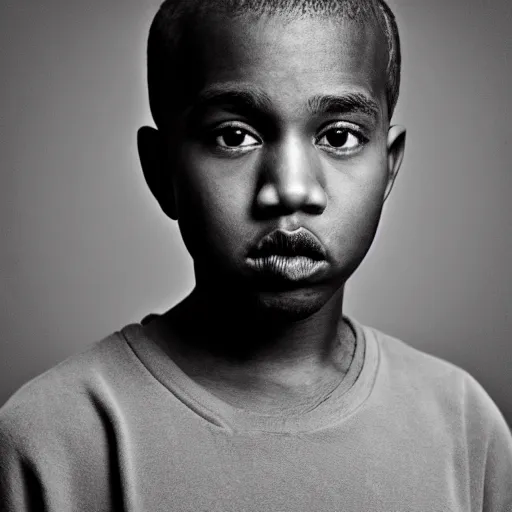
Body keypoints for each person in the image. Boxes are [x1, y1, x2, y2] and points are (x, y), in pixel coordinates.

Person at [1, 0, 511, 510]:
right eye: (234, 136)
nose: (291, 189)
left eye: (339, 136)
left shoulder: (462, 423)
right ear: (161, 172)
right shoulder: (51, 438)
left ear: (389, 169)